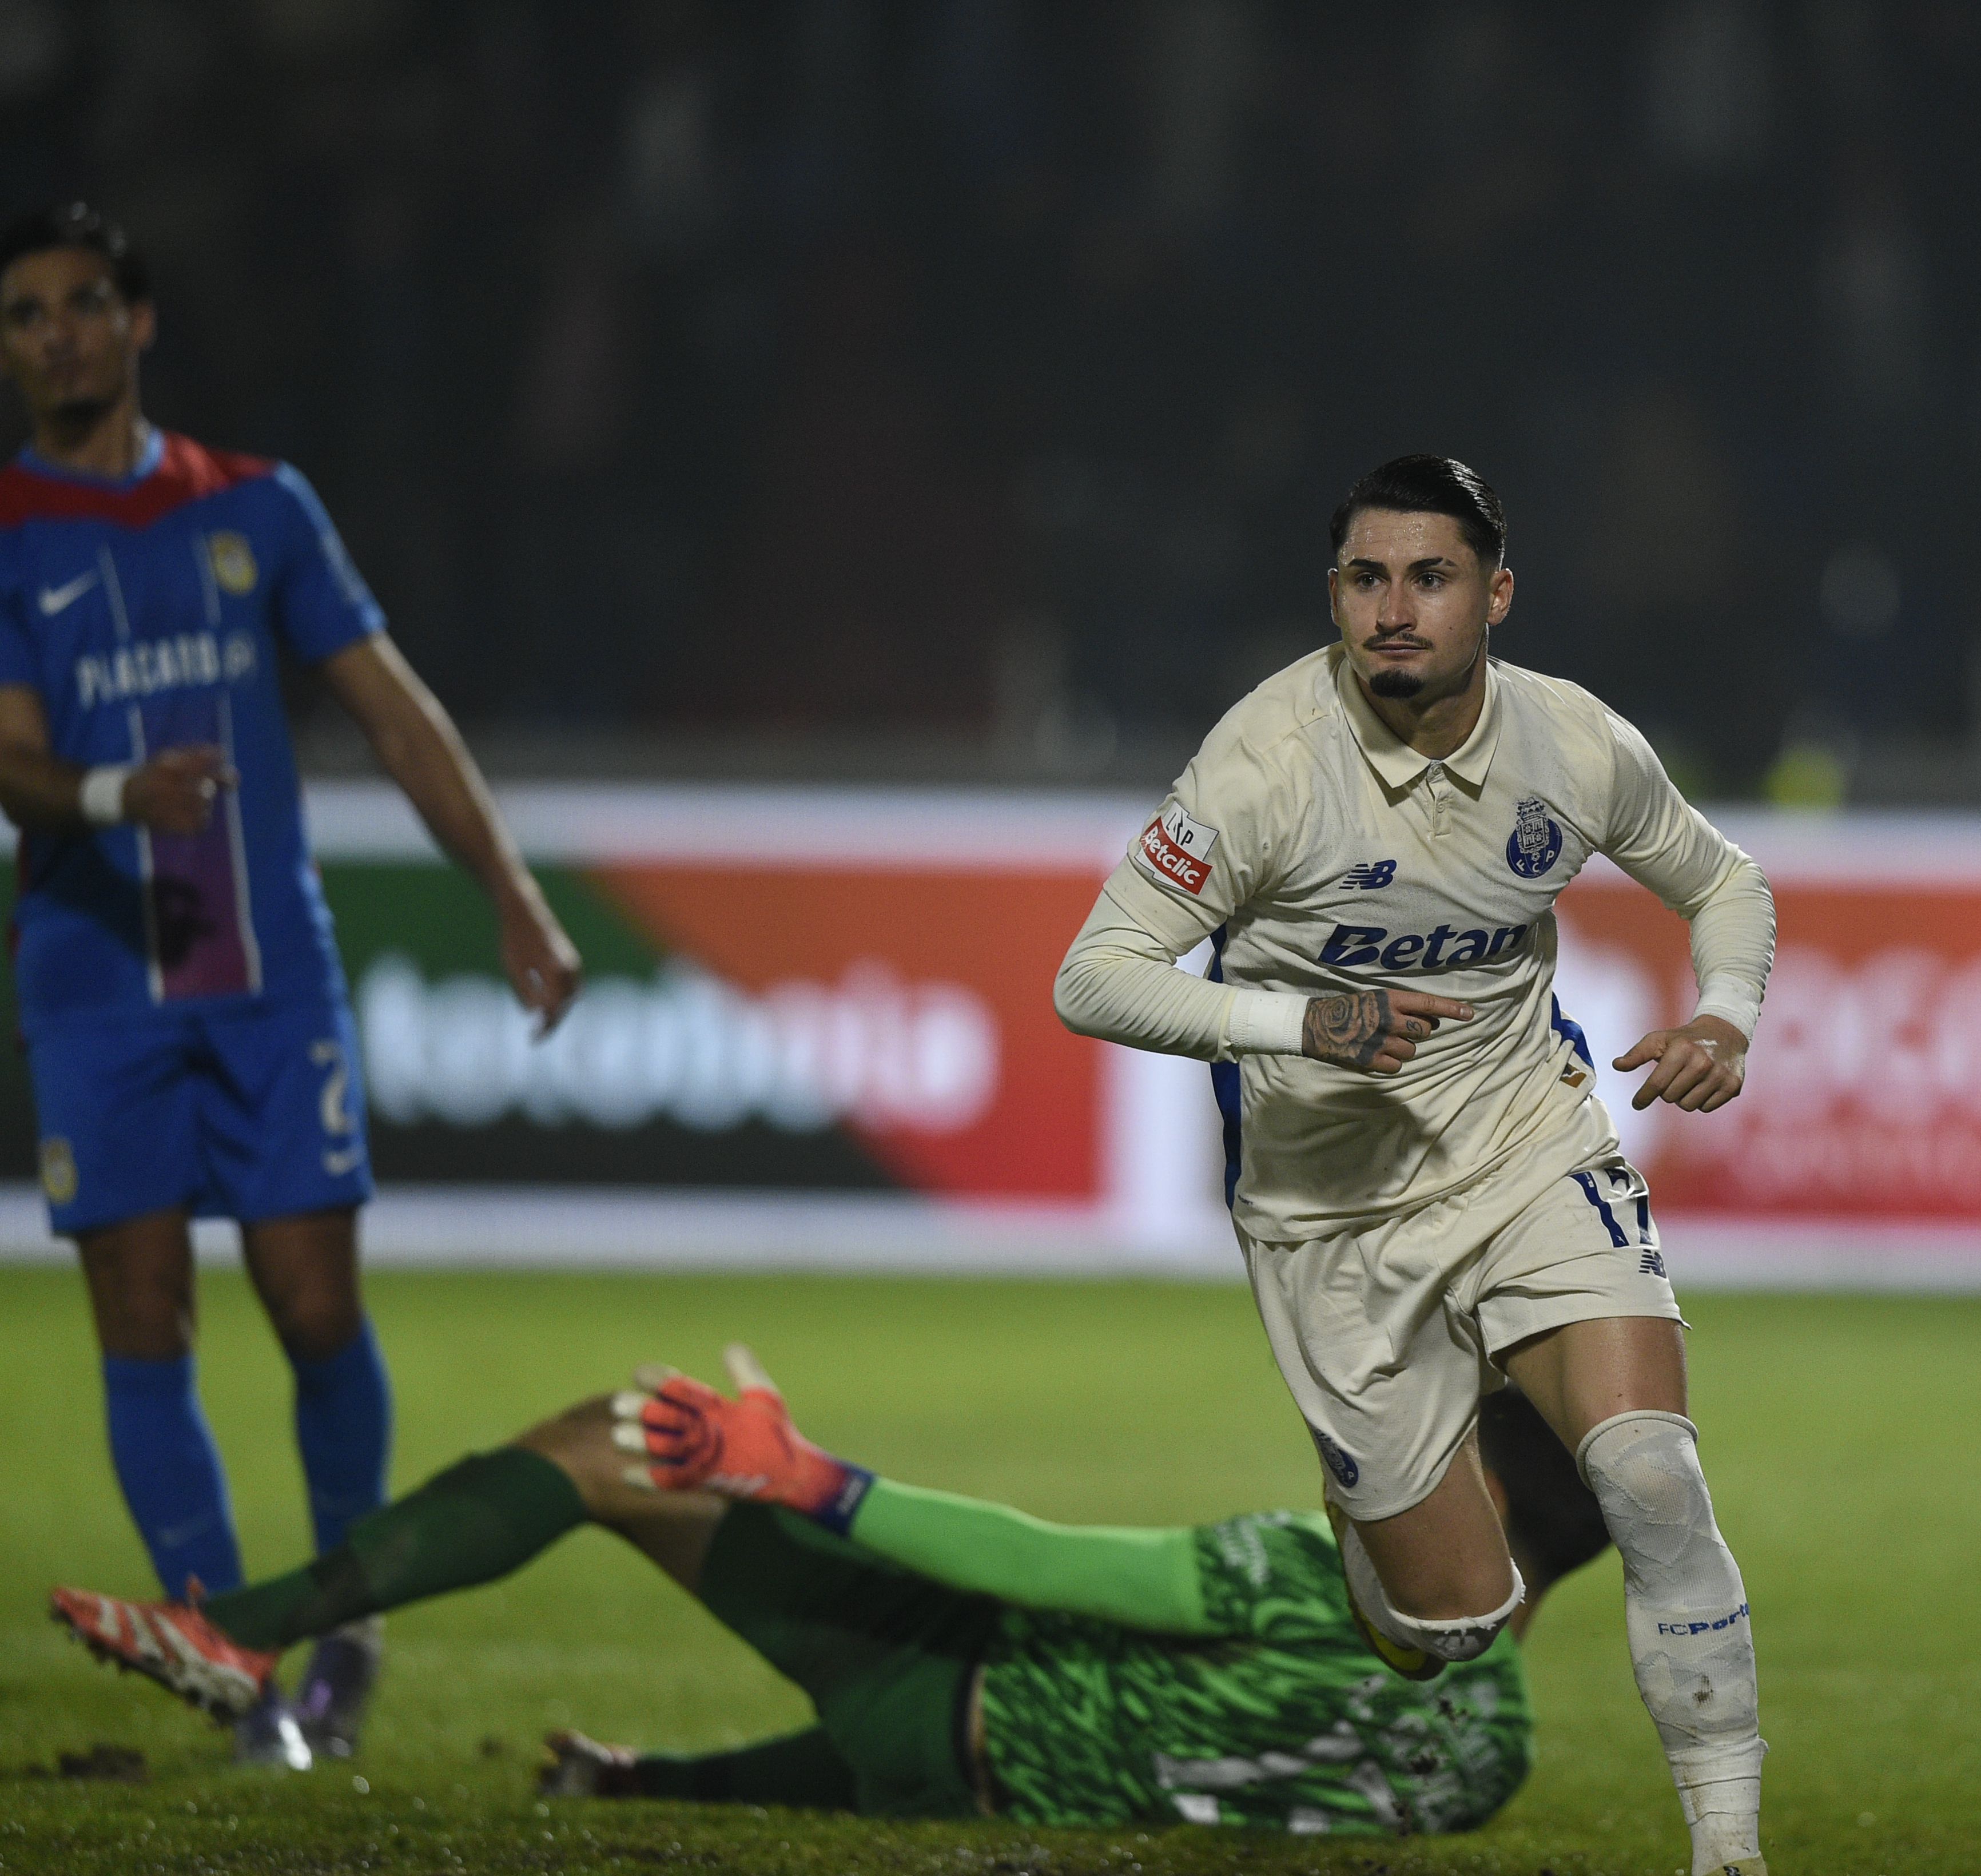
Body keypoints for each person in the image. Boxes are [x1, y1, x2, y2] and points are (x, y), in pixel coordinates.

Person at [1051, 455, 1775, 1875]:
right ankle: (1376, 1512)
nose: (1394, 609)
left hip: (1520, 1140)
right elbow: (1094, 976)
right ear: (1333, 595)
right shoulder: (1262, 765)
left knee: (1648, 1473)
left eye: (1428, 578)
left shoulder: (1570, 745)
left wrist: (1728, 1015)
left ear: (1494, 595)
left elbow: (1725, 879)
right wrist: (1301, 1017)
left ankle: (1730, 1847)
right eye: (1365, 578)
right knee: (1442, 1629)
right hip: (1328, 1209)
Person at [0, 203, 582, 1766]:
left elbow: (394, 713)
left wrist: (513, 897)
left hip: (262, 969)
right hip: (93, 975)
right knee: (144, 1314)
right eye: (24, 317)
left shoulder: (259, 507)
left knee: (316, 1304)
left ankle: (345, 1612)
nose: (52, 337)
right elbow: (10, 756)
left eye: (78, 306)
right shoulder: (3, 524)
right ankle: (228, 1662)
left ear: (139, 322)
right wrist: (120, 800)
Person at [54, 1349, 1608, 1835]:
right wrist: (670, 1782)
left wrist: (812, 1481)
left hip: (931, 1698)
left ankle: (238, 1629)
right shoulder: (1493, 1763)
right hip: (951, 1775)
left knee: (623, 1437)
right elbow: (1085, 1750)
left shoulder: (1322, 1578)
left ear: (1474, 1492)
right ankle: (238, 1632)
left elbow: (1052, 1572)